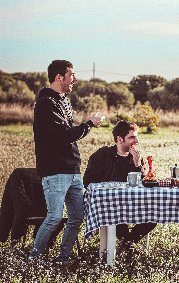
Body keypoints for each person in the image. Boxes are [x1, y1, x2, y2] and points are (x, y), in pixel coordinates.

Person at [29, 60, 104, 264]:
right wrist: (90, 124)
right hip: (55, 170)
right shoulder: (45, 103)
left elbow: (69, 134)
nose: (75, 79)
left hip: (72, 168)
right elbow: (64, 135)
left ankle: (64, 257)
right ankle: (33, 258)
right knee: (54, 217)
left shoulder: (64, 100)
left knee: (77, 218)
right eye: (71, 74)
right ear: (59, 77)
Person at [83, 120, 157, 251]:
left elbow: (143, 184)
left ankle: (127, 243)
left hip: (134, 203)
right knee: (115, 214)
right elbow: (88, 181)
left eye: (136, 136)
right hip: (109, 204)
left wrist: (137, 165)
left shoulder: (138, 158)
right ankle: (127, 245)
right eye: (132, 137)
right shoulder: (102, 155)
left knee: (154, 214)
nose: (136, 141)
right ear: (119, 139)